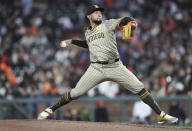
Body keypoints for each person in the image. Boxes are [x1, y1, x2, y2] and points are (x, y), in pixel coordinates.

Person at [37, 5, 178, 124]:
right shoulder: (87, 32)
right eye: (95, 12)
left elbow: (123, 20)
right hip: (96, 68)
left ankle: (161, 115)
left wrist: (130, 21)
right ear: (88, 16)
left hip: (115, 66)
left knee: (139, 87)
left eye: (100, 12)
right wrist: (72, 41)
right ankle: (50, 109)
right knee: (76, 92)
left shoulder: (108, 24)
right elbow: (88, 44)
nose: (99, 14)